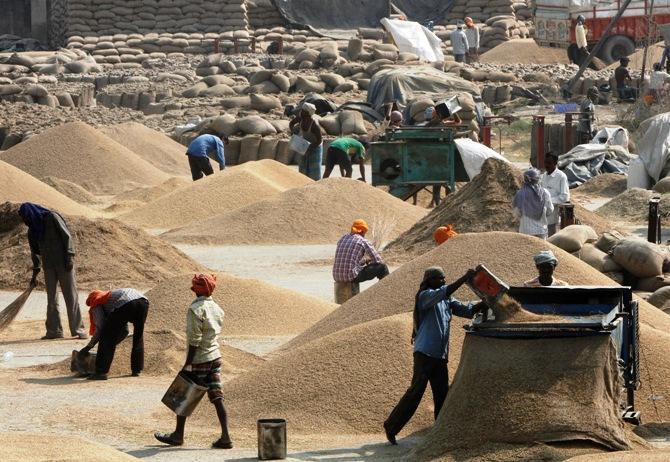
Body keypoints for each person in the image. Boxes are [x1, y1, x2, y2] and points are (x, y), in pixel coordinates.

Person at [383, 267, 485, 445]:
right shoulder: (425, 296)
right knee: (415, 392)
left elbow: (466, 310)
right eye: (439, 279)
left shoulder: (446, 300)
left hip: (439, 356)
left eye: (444, 278)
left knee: (442, 394)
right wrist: (464, 278)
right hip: (424, 354)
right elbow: (444, 291)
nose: (443, 281)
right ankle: (391, 427)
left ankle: (440, 431)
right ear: (429, 280)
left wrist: (486, 302)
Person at [155, 274, 233, 449]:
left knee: (184, 395)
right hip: (215, 357)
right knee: (217, 397)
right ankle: (226, 437)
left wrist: (188, 363)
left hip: (200, 359)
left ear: (196, 290)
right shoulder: (217, 308)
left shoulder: (195, 309)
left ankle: (177, 435)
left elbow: (194, 340)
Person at [18, 203, 87, 340]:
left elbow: (67, 237)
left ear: (31, 213)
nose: (25, 221)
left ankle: (79, 330)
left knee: (71, 296)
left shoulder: (52, 217)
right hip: (48, 265)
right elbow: (35, 253)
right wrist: (35, 272)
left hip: (64, 263)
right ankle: (54, 331)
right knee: (51, 299)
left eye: (26, 217)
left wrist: (70, 257)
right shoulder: (33, 230)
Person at [79, 288, 149, 380]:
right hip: (143, 302)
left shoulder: (96, 302)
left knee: (106, 338)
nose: (90, 306)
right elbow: (124, 331)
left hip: (125, 303)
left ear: (91, 300)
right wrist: (111, 345)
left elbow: (100, 328)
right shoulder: (110, 297)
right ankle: (137, 369)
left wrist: (89, 346)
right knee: (138, 337)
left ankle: (101, 372)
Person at [333, 219, 389, 284]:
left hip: (337, 276)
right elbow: (378, 261)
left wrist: (364, 260)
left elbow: (350, 259)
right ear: (362, 231)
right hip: (351, 276)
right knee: (383, 267)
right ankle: (385, 290)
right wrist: (372, 264)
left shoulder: (343, 238)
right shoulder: (363, 241)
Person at [512, 168, 554, 240]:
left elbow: (516, 213)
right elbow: (550, 210)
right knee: (542, 250)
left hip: (525, 231)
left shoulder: (520, 194)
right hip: (541, 230)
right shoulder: (545, 193)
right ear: (538, 179)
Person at [289, 102, 323, 181]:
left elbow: (319, 140)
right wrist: (292, 131)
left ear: (308, 113)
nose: (301, 112)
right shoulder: (300, 118)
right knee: (302, 167)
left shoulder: (314, 125)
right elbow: (291, 123)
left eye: (303, 111)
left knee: (314, 171)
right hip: (304, 145)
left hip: (315, 147)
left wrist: (310, 147)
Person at [541, 153, 570, 237]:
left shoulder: (561, 177)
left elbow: (564, 197)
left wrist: (549, 201)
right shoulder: (544, 176)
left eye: (549, 163)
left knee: (551, 239)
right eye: (545, 162)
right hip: (542, 216)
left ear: (555, 163)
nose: (546, 165)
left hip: (552, 217)